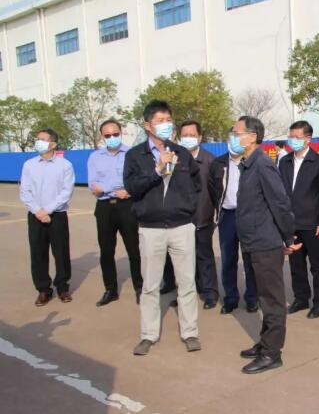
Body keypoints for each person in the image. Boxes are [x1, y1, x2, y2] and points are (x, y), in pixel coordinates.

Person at [123, 100, 201, 355]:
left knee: (187, 283)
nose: (166, 125)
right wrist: (157, 170)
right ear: (147, 125)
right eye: (160, 121)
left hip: (181, 227)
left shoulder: (182, 153)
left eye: (169, 120)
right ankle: (148, 335)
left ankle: (190, 332)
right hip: (151, 229)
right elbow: (132, 188)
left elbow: (196, 186)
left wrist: (187, 208)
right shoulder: (135, 156)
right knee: (150, 285)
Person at [232, 116, 301, 374]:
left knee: (272, 300)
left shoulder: (262, 164)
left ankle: (272, 353)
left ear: (252, 137)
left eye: (237, 132)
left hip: (265, 243)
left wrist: (289, 237)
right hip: (252, 241)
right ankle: (265, 342)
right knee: (263, 296)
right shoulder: (247, 164)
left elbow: (280, 203)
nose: (233, 137)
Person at [279, 121, 319, 318]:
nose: (292, 140)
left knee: (317, 264)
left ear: (308, 139)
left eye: (297, 137)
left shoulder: (318, 162)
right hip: (291, 222)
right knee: (296, 264)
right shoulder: (284, 162)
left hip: (311, 223)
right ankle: (301, 298)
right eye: (290, 136)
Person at [87, 119, 143, 307]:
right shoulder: (95, 157)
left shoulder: (132, 154)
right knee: (106, 251)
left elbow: (136, 180)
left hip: (127, 205)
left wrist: (121, 189)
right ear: (102, 136)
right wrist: (115, 186)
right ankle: (110, 290)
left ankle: (140, 288)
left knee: (134, 249)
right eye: (108, 135)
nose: (112, 138)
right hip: (104, 207)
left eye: (115, 134)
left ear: (121, 132)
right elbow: (94, 186)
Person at [20, 128, 75, 306]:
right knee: (38, 253)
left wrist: (48, 210)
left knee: (61, 252)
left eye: (42, 139)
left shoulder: (65, 165)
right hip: (35, 215)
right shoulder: (29, 165)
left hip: (57, 215)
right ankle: (43, 289)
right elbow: (25, 191)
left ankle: (62, 287)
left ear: (53, 144)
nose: (38, 142)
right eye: (37, 139)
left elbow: (66, 192)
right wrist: (38, 211)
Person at [208, 130, 259, 314]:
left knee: (250, 259)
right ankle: (231, 298)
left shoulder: (253, 162)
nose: (235, 141)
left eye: (239, 137)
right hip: (227, 216)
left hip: (249, 217)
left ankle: (252, 298)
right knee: (228, 259)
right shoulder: (218, 163)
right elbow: (212, 191)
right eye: (232, 137)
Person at [177, 120, 219, 309]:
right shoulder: (174, 159)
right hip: (180, 219)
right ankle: (187, 292)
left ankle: (210, 293)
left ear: (200, 137)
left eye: (192, 135)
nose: (188, 138)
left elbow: (217, 191)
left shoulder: (210, 161)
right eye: (184, 135)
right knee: (183, 260)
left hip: (203, 218)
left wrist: (216, 215)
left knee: (204, 257)